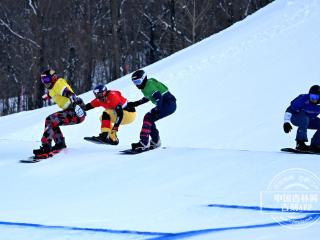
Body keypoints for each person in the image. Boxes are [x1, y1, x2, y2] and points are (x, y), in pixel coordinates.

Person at [33, 69, 86, 158]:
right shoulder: (52, 88)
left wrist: (76, 105)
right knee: (54, 121)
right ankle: (60, 143)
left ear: (53, 78)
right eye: (43, 81)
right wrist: (47, 96)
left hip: (75, 111)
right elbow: (54, 93)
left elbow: (68, 93)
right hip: (70, 111)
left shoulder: (58, 84)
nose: (45, 83)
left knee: (50, 119)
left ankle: (46, 147)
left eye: (46, 80)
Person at [128, 69, 176, 151]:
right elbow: (148, 97)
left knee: (148, 118)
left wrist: (158, 109)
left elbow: (158, 97)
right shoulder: (147, 84)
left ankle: (144, 143)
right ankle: (155, 141)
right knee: (149, 118)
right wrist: (135, 103)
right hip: (167, 104)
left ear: (143, 78)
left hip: (168, 104)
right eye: (135, 83)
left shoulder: (148, 85)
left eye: (138, 82)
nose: (137, 85)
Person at [283, 85, 320, 151]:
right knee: (304, 117)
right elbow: (290, 109)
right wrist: (286, 122)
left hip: (309, 120)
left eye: (316, 97)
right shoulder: (302, 99)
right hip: (296, 118)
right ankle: (300, 143)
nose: (314, 99)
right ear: (309, 95)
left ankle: (316, 144)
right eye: (312, 96)